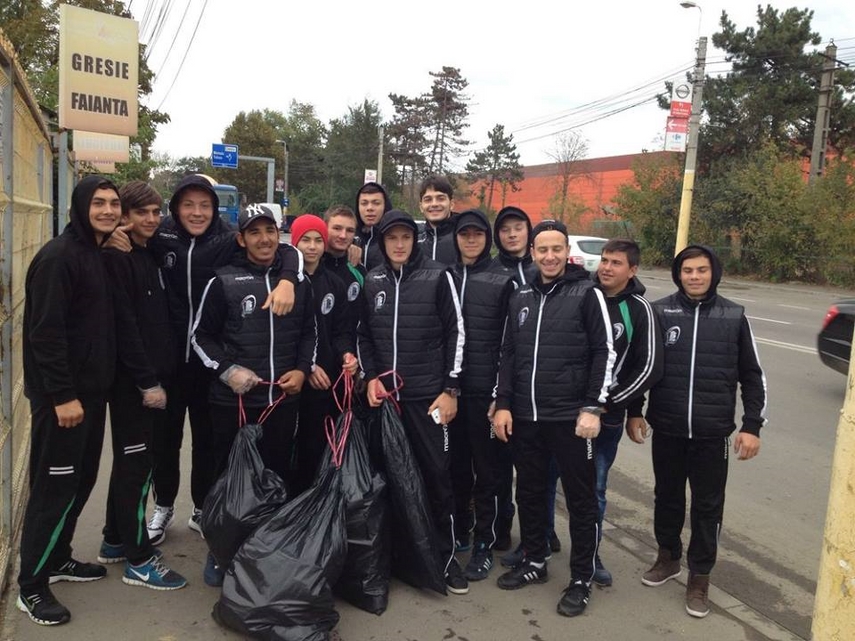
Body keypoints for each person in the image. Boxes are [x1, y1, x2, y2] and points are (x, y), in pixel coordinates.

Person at [142, 175, 301, 547]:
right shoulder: (160, 237)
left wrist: (290, 278)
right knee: (165, 440)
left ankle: (202, 507)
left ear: (215, 210)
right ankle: (163, 506)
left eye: (205, 205)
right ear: (176, 208)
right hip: (165, 359)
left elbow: (284, 249)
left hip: (207, 365)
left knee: (207, 443)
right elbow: (131, 235)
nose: (197, 213)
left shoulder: (227, 239)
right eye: (188, 205)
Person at [630, 244, 767, 619]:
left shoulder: (733, 316)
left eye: (701, 270)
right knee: (667, 498)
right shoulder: (660, 312)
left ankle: (700, 576)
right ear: (678, 274)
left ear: (713, 273)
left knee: (708, 507)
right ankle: (668, 558)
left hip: (712, 434)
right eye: (687, 270)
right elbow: (642, 367)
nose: (694, 276)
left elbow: (752, 377)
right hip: (668, 427)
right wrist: (634, 412)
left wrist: (751, 425)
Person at [492, 219, 615, 618]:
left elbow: (603, 352)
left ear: (567, 252)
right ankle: (535, 561)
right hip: (527, 417)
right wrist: (504, 402)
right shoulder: (521, 295)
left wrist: (592, 406)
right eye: (542, 250)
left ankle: (580, 578)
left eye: (556, 249)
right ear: (532, 253)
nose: (549, 256)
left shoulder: (586, 293)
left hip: (570, 418)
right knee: (529, 492)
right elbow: (508, 352)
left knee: (581, 502)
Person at [191, 204, 317, 586]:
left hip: (281, 401)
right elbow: (200, 337)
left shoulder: (297, 283)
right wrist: (227, 371)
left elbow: (310, 333)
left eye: (270, 231)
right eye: (255, 232)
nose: (264, 239)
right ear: (241, 238)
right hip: (234, 402)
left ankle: (264, 550)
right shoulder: (223, 281)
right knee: (228, 478)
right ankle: (220, 550)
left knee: (275, 477)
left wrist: (301, 369)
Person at [17, 176, 121, 626]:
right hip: (64, 402)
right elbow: (45, 333)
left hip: (90, 396)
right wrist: (62, 396)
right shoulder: (60, 258)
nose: (107, 210)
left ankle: (58, 558)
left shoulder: (94, 254)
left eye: (113, 203)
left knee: (81, 481)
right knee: (53, 490)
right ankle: (31, 586)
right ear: (81, 207)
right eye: (98, 203)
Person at [357, 209, 468, 595]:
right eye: (392, 239)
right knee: (388, 482)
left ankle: (446, 557)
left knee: (437, 478)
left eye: (406, 237)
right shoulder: (373, 280)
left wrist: (450, 389)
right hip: (387, 401)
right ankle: (397, 558)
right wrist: (371, 377)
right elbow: (365, 337)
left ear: (415, 240)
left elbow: (457, 332)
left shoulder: (439, 276)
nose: (399, 244)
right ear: (383, 242)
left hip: (428, 399)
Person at [98, 181, 187, 591]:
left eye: (155, 212)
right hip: (137, 383)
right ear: (124, 216)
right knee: (137, 466)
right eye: (141, 213)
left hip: (153, 376)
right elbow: (126, 328)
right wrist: (147, 381)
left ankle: (115, 539)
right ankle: (138, 559)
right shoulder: (118, 258)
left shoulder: (145, 252)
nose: (151, 220)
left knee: (133, 463)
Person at [447, 210, 516, 582]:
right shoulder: (445, 276)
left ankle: (484, 546)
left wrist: (501, 396)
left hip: (486, 396)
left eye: (477, 234)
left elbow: (511, 346)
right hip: (451, 394)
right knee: (456, 470)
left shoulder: (502, 280)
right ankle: (459, 532)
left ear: (486, 238)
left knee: (488, 476)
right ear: (456, 237)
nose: (470, 239)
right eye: (464, 233)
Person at [590, 239, 663, 586]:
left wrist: (617, 404)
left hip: (606, 417)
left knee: (595, 488)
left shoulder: (638, 310)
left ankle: (590, 555)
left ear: (632, 270)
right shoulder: (582, 296)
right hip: (563, 413)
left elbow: (646, 367)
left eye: (615, 262)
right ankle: (542, 542)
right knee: (546, 480)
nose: (606, 267)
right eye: (604, 260)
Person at [490, 206, 561, 560]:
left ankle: (543, 532)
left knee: (541, 472)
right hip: (503, 383)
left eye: (519, 228)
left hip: (540, 391)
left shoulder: (545, 271)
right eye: (505, 230)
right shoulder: (492, 271)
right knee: (501, 467)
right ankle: (504, 529)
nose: (512, 234)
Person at [289, 214, 358, 492]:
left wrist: (346, 355)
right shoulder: (285, 283)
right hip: (291, 376)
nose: (312, 246)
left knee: (314, 443)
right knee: (282, 444)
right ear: (295, 242)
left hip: (324, 380)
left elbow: (341, 331)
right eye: (306, 240)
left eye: (318, 240)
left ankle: (310, 500)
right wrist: (307, 365)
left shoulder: (334, 284)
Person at [417, 175, 457, 265]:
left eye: (440, 198)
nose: (434, 204)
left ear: (451, 204)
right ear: (421, 207)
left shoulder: (463, 239)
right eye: (428, 200)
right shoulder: (413, 242)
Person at [353, 182, 392, 270]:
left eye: (376, 203)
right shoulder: (346, 238)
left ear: (385, 206)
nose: (369, 208)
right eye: (364, 203)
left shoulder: (394, 240)